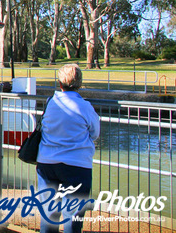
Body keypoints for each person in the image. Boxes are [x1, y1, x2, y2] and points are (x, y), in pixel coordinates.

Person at [36, 64, 100, 233]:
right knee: (73, 214)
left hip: (47, 162)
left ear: (59, 83)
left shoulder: (51, 102)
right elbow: (95, 133)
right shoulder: (85, 106)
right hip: (77, 164)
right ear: (80, 83)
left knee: (49, 212)